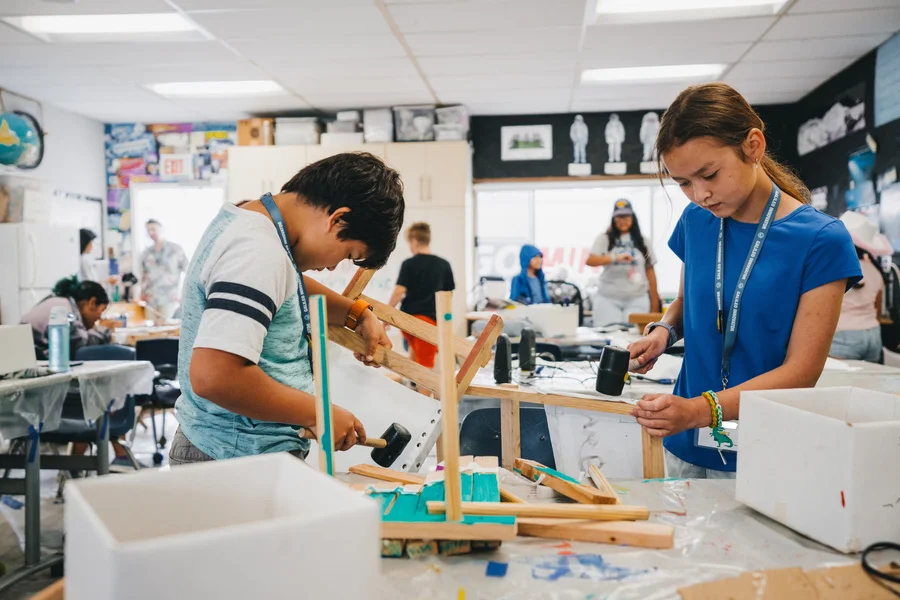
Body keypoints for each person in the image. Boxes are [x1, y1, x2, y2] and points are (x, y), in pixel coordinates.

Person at [627, 83, 861, 478]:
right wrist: (663, 332)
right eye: (683, 183)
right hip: (685, 440)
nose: (700, 194)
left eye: (709, 174)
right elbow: (688, 304)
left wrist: (701, 409)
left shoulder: (821, 240)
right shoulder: (697, 222)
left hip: (766, 452)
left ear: (753, 145)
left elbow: (802, 371)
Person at [169, 153, 404, 466]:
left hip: (235, 452)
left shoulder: (252, 222)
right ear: (337, 219)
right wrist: (318, 412)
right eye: (348, 254)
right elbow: (215, 376)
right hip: (235, 457)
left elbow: (285, 285)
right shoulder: (258, 251)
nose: (333, 265)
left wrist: (357, 313)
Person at [388, 222, 455, 369]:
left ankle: (412, 390)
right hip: (429, 320)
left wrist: (386, 317)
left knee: (416, 359)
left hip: (408, 320)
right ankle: (419, 392)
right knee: (425, 368)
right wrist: (446, 322)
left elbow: (399, 292)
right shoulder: (444, 265)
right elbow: (448, 297)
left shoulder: (409, 264)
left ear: (414, 241)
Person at [586, 199, 661, 325]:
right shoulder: (604, 238)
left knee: (635, 340)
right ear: (613, 219)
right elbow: (590, 260)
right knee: (608, 338)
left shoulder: (643, 241)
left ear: (633, 218)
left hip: (637, 298)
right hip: (608, 298)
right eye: (619, 217)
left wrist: (655, 305)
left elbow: (650, 272)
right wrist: (615, 257)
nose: (623, 220)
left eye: (626, 216)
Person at [829, 211, 891, 363]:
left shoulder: (836, 266)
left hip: (842, 334)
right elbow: (877, 308)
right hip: (873, 334)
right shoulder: (876, 271)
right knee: (869, 384)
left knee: (840, 383)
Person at [21, 276, 111, 359]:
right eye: (102, 310)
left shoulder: (60, 301)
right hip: (28, 359)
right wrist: (103, 328)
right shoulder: (64, 310)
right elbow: (81, 348)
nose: (100, 317)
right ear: (92, 302)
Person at [140, 219, 188, 323]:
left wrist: (182, 292)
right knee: (150, 330)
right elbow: (144, 274)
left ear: (161, 229)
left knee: (166, 327)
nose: (151, 233)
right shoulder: (146, 253)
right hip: (151, 298)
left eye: (153, 229)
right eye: (148, 230)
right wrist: (141, 292)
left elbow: (187, 271)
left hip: (169, 297)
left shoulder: (175, 249)